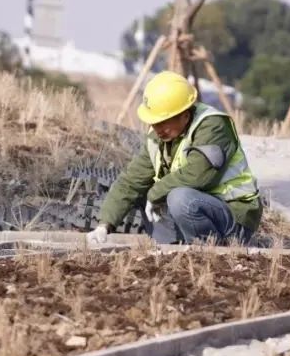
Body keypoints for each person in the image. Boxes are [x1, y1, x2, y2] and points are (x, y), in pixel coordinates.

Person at [86, 71, 261, 246]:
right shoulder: (157, 138)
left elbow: (198, 175)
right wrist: (104, 225)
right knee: (139, 193)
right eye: (154, 122)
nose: (157, 128)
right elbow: (130, 182)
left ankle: (211, 251)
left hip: (233, 216)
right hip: (199, 208)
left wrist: (154, 194)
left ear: (185, 115)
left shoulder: (212, 126)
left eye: (163, 121)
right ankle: (172, 248)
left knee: (180, 198)